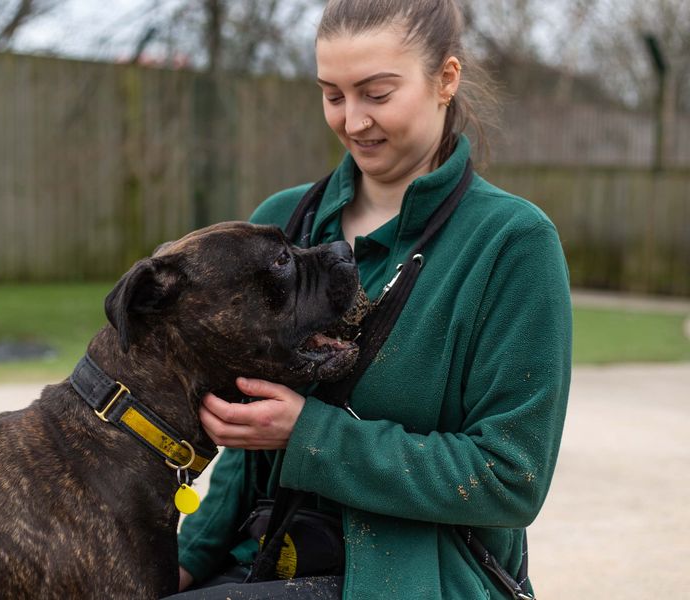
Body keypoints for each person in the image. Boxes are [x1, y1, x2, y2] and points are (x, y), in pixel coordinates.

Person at [170, 0, 571, 598]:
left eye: (376, 94)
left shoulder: (513, 244)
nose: (353, 120)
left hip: (421, 577)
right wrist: (180, 564)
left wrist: (309, 434)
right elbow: (247, 449)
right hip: (261, 561)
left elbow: (510, 479)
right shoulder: (281, 224)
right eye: (333, 95)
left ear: (446, 80)